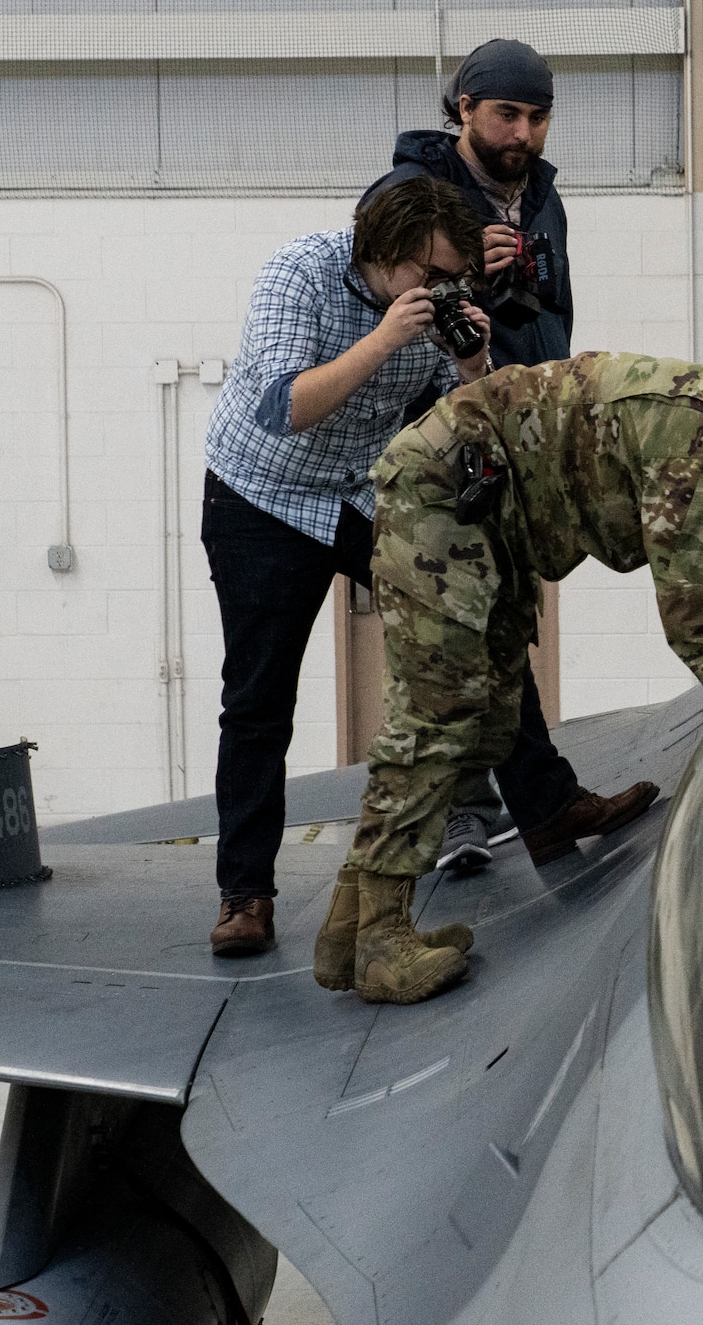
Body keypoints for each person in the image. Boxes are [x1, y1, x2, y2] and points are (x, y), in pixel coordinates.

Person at [314, 357, 703, 1004]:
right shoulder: (701, 440)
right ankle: (381, 940)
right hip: (446, 491)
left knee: (491, 716)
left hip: (494, 516)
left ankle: (350, 929)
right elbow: (696, 617)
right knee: (440, 714)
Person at [200, 176, 496, 958]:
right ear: (381, 253)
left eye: (450, 278)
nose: (439, 291)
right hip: (260, 494)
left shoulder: (428, 308)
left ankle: (541, 804)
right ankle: (245, 897)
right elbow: (283, 407)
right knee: (259, 700)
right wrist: (386, 337)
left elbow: (466, 419)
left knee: (469, 621)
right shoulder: (298, 272)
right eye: (429, 275)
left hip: (358, 492)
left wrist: (473, 362)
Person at [363, 37, 600, 874]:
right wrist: (479, 283)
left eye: (538, 117)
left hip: (514, 430)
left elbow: (553, 311)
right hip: (437, 438)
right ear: (463, 108)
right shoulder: (415, 192)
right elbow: (395, 303)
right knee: (452, 625)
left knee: (502, 618)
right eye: (507, 113)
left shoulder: (541, 196)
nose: (524, 133)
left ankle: (518, 803)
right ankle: (465, 814)